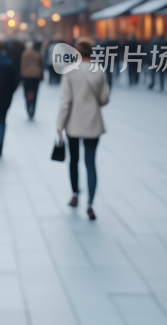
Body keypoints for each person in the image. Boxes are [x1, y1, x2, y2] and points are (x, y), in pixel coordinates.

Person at [56, 38, 110, 221]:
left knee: (73, 160)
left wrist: (59, 126)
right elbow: (104, 99)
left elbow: (65, 101)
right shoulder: (99, 71)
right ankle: (91, 203)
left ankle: (74, 195)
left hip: (74, 123)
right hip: (93, 123)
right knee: (90, 163)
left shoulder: (70, 71)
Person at [20, 41, 44, 120]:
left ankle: (28, 106)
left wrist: (21, 75)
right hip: (36, 76)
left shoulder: (24, 54)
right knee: (35, 92)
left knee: (27, 93)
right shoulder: (37, 54)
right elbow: (40, 65)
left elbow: (22, 65)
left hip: (26, 76)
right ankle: (33, 109)